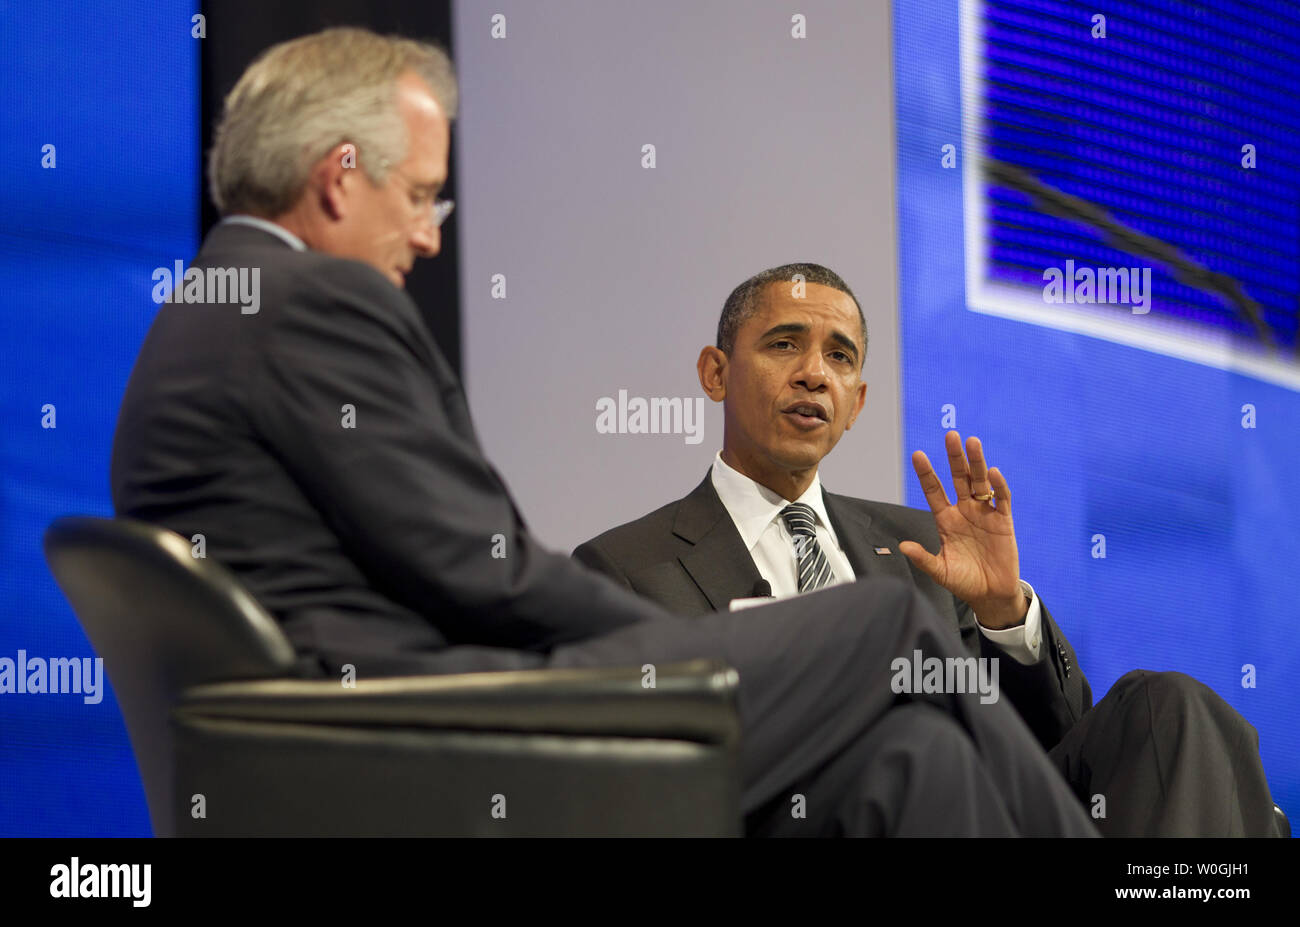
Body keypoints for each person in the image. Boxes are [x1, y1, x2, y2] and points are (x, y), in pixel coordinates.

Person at [111, 26, 1099, 836]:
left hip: (359, 724)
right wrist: (694, 646)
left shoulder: (221, 302)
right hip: (418, 727)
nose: (428, 233)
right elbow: (480, 573)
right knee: (881, 623)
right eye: (418, 195)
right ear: (337, 177)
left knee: (910, 758)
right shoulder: (311, 301)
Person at [574, 262, 1281, 836]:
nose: (814, 373)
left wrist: (1004, 611)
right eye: (784, 343)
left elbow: (1053, 741)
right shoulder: (627, 568)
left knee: (1170, 707)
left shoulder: (921, 545)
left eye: (839, 357)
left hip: (985, 813)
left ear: (856, 402)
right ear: (716, 373)